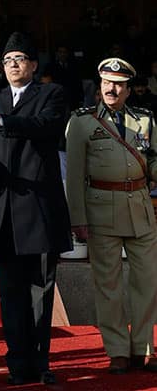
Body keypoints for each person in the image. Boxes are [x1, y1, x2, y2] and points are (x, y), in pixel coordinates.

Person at [0, 31, 72, 385]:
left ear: (33, 65)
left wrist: (2, 121)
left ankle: (40, 363)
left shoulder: (50, 94)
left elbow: (46, 128)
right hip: (5, 211)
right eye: (8, 60)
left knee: (40, 294)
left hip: (39, 211)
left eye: (19, 59)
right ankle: (16, 363)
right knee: (11, 294)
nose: (13, 65)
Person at [65, 58, 157, 374]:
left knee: (147, 282)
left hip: (142, 210)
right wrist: (77, 219)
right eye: (106, 82)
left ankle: (143, 348)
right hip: (101, 209)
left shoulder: (145, 120)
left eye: (118, 83)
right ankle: (117, 350)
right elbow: (74, 175)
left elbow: (153, 161)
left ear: (129, 89)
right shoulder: (81, 122)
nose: (111, 88)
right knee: (109, 285)